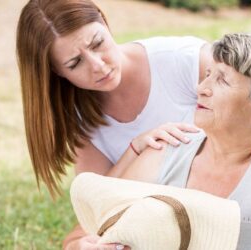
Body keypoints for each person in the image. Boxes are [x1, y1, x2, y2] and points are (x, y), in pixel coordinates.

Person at [16, 0, 210, 249]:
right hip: (155, 220)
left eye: (98, 43)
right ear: (56, 72)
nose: (98, 65)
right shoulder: (80, 120)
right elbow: (97, 206)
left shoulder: (184, 60)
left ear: (105, 23)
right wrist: (135, 149)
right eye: (75, 63)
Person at [118, 33, 251, 249]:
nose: (201, 88)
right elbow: (102, 230)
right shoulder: (165, 148)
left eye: (222, 80)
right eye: (207, 74)